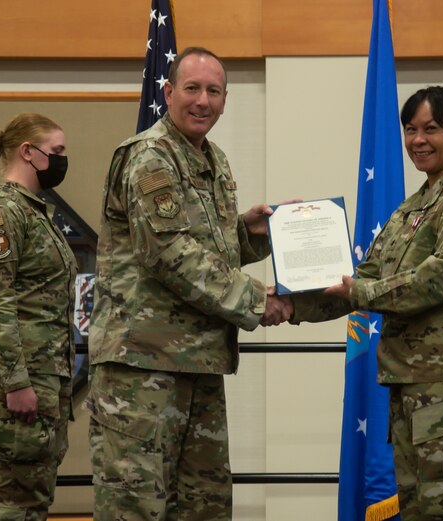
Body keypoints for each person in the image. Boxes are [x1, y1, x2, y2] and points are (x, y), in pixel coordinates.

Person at [289, 86, 443, 520]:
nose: (418, 140)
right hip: (410, 384)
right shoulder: (410, 211)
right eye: (410, 130)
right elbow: (365, 278)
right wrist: (288, 304)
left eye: (431, 129)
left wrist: (360, 292)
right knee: (417, 511)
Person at [87, 46, 292, 521]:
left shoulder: (212, 159)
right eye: (192, 88)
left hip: (196, 364)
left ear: (225, 99)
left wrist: (252, 233)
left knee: (205, 507)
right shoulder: (150, 157)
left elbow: (206, 247)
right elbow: (168, 255)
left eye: (214, 91)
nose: (203, 100)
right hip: (140, 367)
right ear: (168, 92)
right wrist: (255, 300)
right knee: (134, 508)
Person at [0, 113, 76, 521]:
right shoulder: (1, 213)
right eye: (57, 151)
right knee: (15, 500)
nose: (63, 159)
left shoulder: (33, 212)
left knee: (33, 497)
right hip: (20, 378)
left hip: (44, 375)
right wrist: (16, 382)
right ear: (29, 152)